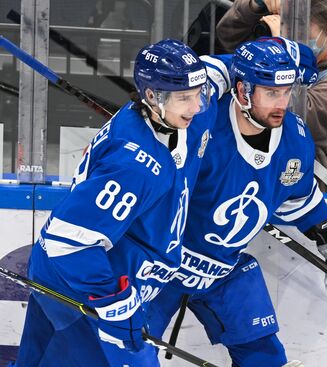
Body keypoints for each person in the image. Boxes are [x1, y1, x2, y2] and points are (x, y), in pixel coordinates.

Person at [145, 38, 327, 367]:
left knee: (265, 358)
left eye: (286, 92)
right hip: (158, 263)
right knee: (127, 351)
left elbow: (299, 200)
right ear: (242, 90)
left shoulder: (295, 139)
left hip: (221, 270)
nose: (281, 103)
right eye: (270, 93)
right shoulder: (203, 121)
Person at [11, 39, 219, 367]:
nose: (195, 107)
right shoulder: (135, 165)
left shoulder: (163, 120)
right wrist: (115, 304)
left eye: (198, 95)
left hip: (70, 274)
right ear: (152, 96)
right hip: (81, 287)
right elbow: (69, 243)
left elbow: (221, 74)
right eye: (184, 99)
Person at [216, 0, 327, 193]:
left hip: (309, 190)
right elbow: (228, 36)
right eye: (285, 22)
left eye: (299, 25)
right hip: (266, 180)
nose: (288, 30)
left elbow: (299, 114)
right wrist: (256, 5)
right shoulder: (285, 59)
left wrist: (282, 53)